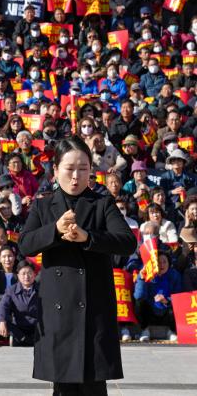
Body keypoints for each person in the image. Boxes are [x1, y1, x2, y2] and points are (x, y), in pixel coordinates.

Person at [19, 136, 136, 394]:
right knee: (63, 386)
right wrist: (55, 230)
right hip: (59, 313)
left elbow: (127, 242)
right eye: (69, 169)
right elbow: (25, 245)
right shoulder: (43, 205)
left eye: (83, 169)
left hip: (93, 310)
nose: (76, 177)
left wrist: (88, 238)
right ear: (56, 170)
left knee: (94, 385)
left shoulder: (102, 203)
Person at [0, 260, 39, 346]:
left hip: (37, 326)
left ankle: (31, 340)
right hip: (19, 328)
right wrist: (1, 321)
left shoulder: (42, 289)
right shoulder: (11, 290)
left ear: (34, 275)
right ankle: (24, 339)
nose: (26, 276)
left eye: (29, 273)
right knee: (4, 320)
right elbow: (3, 306)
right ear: (18, 275)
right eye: (23, 273)